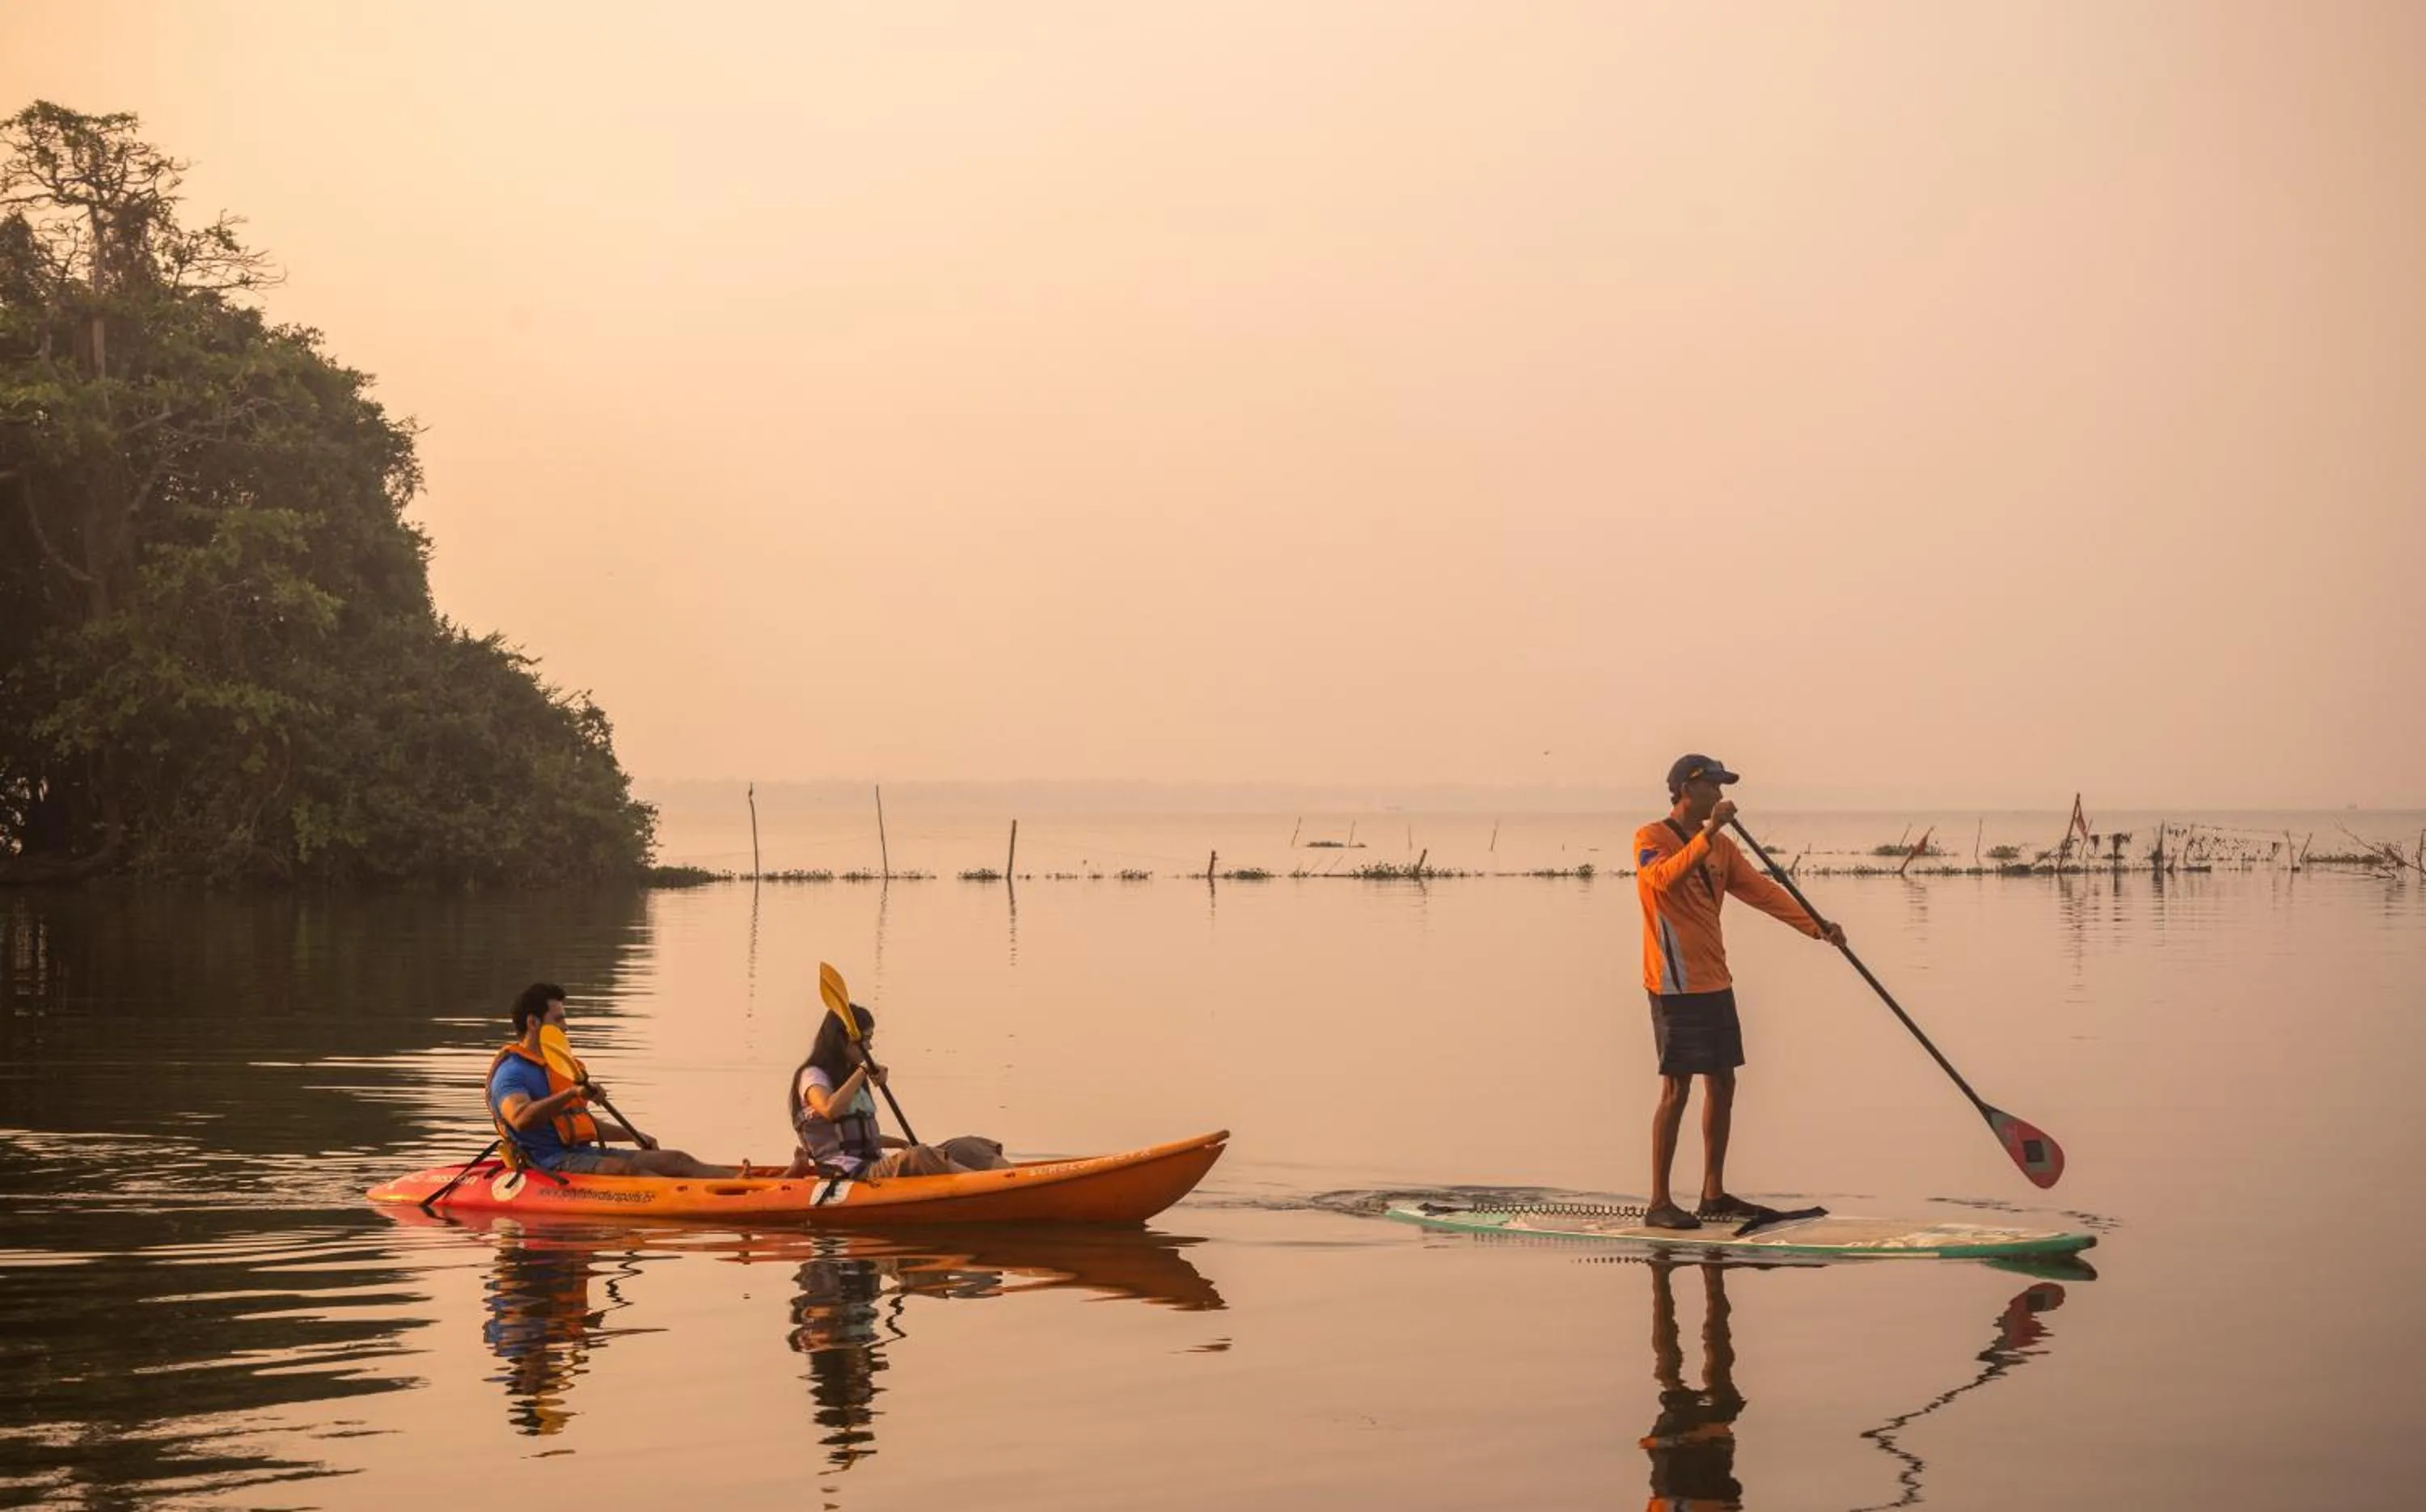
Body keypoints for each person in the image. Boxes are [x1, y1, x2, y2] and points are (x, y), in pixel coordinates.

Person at [1635, 755, 1845, 1230]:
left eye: (1720, 785)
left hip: (1716, 981)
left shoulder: (1723, 850)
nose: (1719, 792)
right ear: (1687, 790)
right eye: (1712, 784)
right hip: (1674, 984)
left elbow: (1763, 893)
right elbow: (1662, 881)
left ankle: (1713, 1194)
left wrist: (1817, 927)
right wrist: (1709, 834)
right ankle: (1659, 1202)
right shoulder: (1650, 838)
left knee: (1724, 1083)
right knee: (1676, 1089)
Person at [487, 982, 733, 1177]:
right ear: (533, 1022)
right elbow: (520, 1119)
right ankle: (697, 1203)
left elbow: (579, 1121)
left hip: (581, 1153)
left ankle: (743, 1184)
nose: (566, 1027)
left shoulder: (558, 1066)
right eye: (558, 1019)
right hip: (545, 1160)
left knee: (677, 1159)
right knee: (628, 1171)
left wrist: (634, 1135)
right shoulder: (512, 1071)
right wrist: (572, 1093)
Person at [780, 1004, 1010, 1180]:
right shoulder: (813, 1076)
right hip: (850, 1174)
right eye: (866, 1040)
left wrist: (901, 1145)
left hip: (876, 1165)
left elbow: (863, 1139)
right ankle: (983, 1187)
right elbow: (830, 1109)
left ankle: (1011, 1180)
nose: (869, 1047)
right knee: (920, 1156)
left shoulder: (850, 1076)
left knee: (966, 1146)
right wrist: (863, 1071)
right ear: (843, 1040)